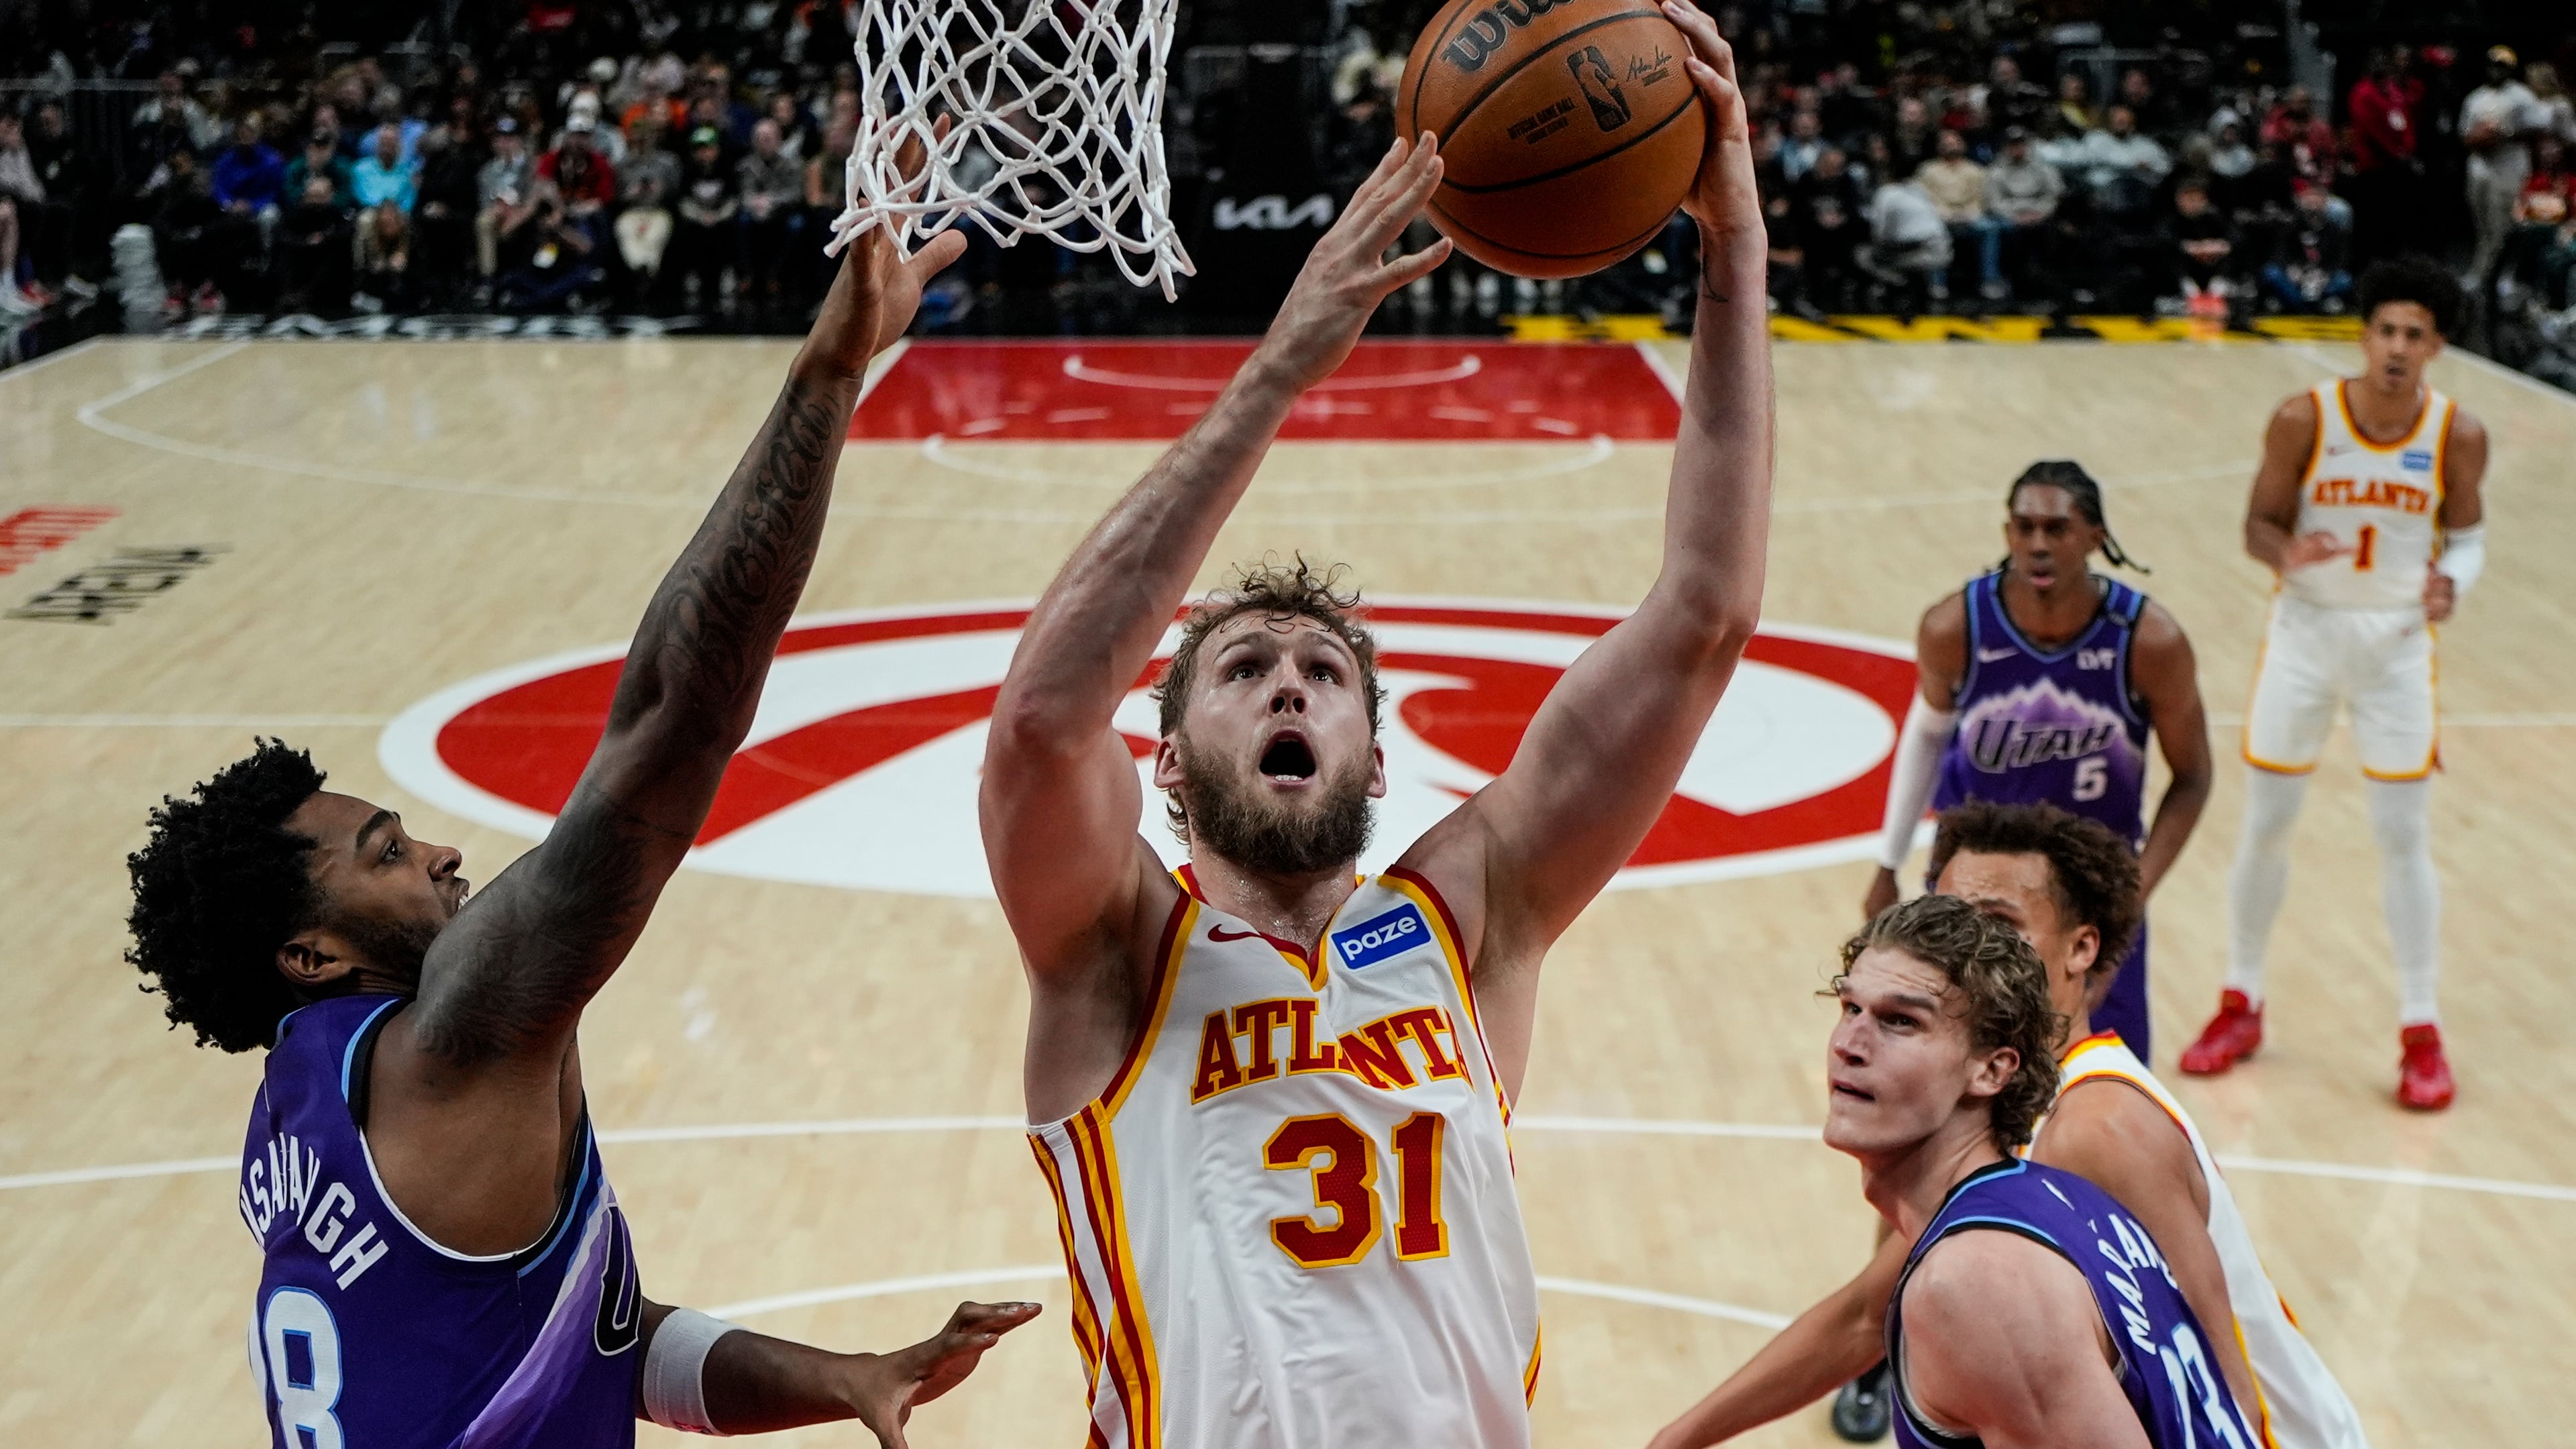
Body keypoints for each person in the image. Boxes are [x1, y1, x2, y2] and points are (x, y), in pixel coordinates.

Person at [121, 139, 1037, 1448]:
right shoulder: (459, 1043)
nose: (439, 852)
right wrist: (827, 383)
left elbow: (594, 1338)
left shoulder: (307, 1089)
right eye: (383, 853)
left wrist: (841, 1376)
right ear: (310, 948)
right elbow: (675, 721)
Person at [976, 9, 1770, 1445]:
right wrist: (1281, 365)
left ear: (1377, 760)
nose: (1290, 685)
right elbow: (1042, 715)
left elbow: (1704, 615)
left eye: (1325, 675)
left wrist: (1734, 245)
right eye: (1245, 670)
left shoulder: (1471, 920)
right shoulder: (1112, 953)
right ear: (1165, 764)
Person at [1650, 803, 2368, 1449]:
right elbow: (1868, 1314)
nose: (1958, 944)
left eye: (1994, 925)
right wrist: (1679, 1438)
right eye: (1947, 915)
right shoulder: (2008, 1130)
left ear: (2080, 949)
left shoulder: (2096, 1130)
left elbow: (2218, 1372)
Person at [2181, 258, 2487, 1111]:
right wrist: (2286, 554)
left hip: (2396, 646)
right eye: (2385, 330)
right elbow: (2255, 524)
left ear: (2437, 345)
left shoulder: (2458, 434)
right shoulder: (2302, 418)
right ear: (2364, 334)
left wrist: (2452, 582)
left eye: (2414, 335)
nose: (2396, 348)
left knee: (2402, 832)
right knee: (2270, 820)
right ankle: (2240, 999)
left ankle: (2421, 1029)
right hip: (2306, 636)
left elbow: (2467, 536)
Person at [1868, 460, 2209, 1057]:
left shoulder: (2149, 641)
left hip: (2092, 889)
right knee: (1958, 1074)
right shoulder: (1956, 627)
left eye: (2057, 529)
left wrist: (2133, 896)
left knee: (2104, 1084)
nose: (2038, 545)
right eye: (2023, 528)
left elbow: (2194, 777)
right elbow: (1926, 737)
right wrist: (1887, 862)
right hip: (1973, 888)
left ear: (2096, 539)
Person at [2461, 46, 2546, 289]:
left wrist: (2504, 134)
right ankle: (2484, 273)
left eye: (2503, 66)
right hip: (2480, 168)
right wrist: (2480, 139)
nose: (2497, 70)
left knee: (2504, 226)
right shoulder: (2476, 97)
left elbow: (2538, 128)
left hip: (2509, 169)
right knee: (2483, 225)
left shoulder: (2522, 97)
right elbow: (2465, 134)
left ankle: (2498, 276)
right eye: (2494, 65)